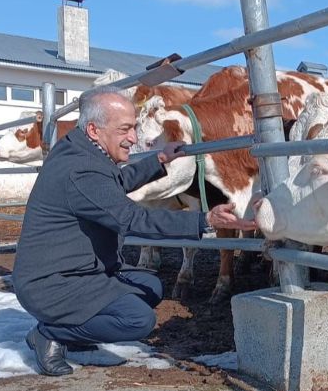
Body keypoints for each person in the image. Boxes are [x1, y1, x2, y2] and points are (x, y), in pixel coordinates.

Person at [13, 87, 256, 376]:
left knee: (150, 287)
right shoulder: (80, 170)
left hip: (76, 268)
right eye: (124, 129)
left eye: (134, 128)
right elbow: (134, 219)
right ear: (94, 129)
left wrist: (159, 160)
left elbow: (115, 182)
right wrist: (204, 220)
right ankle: (50, 334)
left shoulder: (79, 148)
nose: (133, 138)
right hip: (51, 283)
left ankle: (77, 334)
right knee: (137, 320)